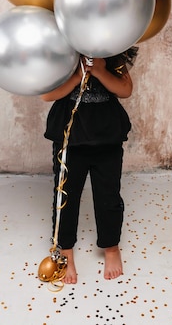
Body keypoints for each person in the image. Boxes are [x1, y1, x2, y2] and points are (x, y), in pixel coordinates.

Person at [41, 47, 138, 284]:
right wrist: (77, 76)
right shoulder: (62, 55)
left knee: (108, 194)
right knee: (66, 195)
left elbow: (125, 89)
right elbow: (47, 95)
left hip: (107, 135)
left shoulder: (112, 53)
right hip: (70, 136)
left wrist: (101, 71)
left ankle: (111, 247)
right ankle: (65, 250)